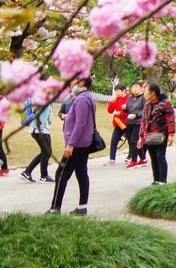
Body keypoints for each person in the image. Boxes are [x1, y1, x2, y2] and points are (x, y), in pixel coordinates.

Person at [49, 76, 97, 215]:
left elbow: (80, 123)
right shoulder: (86, 97)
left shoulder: (82, 99)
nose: (70, 85)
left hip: (78, 145)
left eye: (73, 82)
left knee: (61, 174)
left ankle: (55, 208)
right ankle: (82, 207)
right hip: (83, 143)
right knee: (81, 173)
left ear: (81, 83)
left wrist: (70, 144)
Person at [139, 83, 176, 185]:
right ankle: (156, 179)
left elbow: (171, 120)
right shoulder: (147, 105)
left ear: (152, 92)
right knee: (153, 158)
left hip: (161, 135)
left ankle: (162, 180)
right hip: (149, 136)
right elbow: (143, 121)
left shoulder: (165, 104)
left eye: (146, 91)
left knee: (160, 157)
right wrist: (141, 136)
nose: (144, 94)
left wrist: (171, 134)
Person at [20, 92, 55, 183]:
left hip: (41, 130)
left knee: (45, 152)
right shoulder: (42, 99)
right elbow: (40, 117)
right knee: (47, 152)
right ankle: (43, 176)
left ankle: (27, 172)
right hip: (40, 130)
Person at [105, 83, 129, 165]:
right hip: (118, 124)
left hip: (127, 124)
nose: (117, 93)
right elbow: (109, 111)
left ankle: (131, 157)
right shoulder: (116, 99)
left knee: (131, 141)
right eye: (116, 91)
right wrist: (111, 102)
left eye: (118, 91)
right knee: (114, 141)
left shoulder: (129, 99)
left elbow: (130, 111)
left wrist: (120, 113)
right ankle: (112, 159)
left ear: (124, 91)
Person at [124, 80, 147, 167]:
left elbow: (145, 110)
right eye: (133, 87)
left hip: (138, 122)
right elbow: (128, 109)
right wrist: (124, 108)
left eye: (137, 87)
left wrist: (136, 115)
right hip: (129, 122)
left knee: (134, 140)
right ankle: (143, 158)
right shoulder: (130, 98)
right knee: (133, 141)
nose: (135, 89)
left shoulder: (143, 98)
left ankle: (134, 160)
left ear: (141, 89)